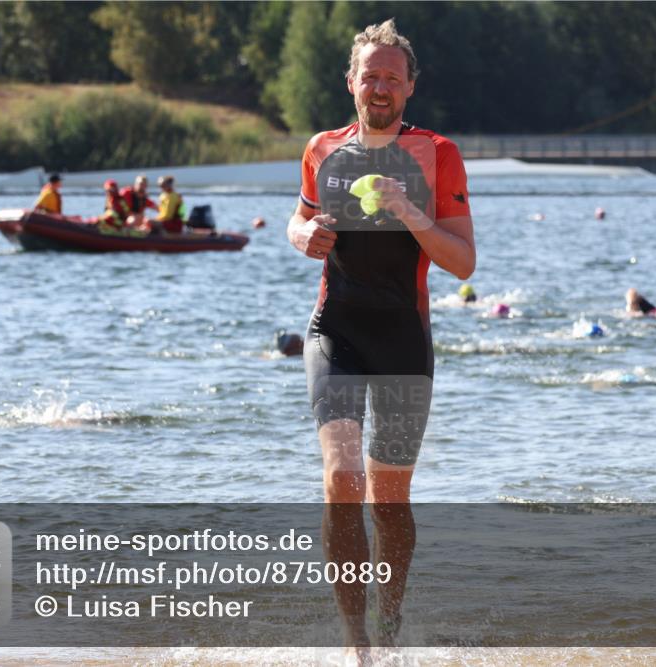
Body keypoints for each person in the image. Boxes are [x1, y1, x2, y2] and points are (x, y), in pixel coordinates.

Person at [286, 19, 474, 654]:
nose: (381, 86)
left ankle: (388, 625)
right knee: (343, 478)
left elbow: (463, 261)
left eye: (393, 76)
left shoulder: (437, 153)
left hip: (403, 337)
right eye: (371, 74)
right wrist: (300, 235)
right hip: (334, 328)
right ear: (351, 82)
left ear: (410, 87)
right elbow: (300, 218)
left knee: (389, 498)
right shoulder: (321, 148)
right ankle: (354, 643)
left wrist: (409, 211)